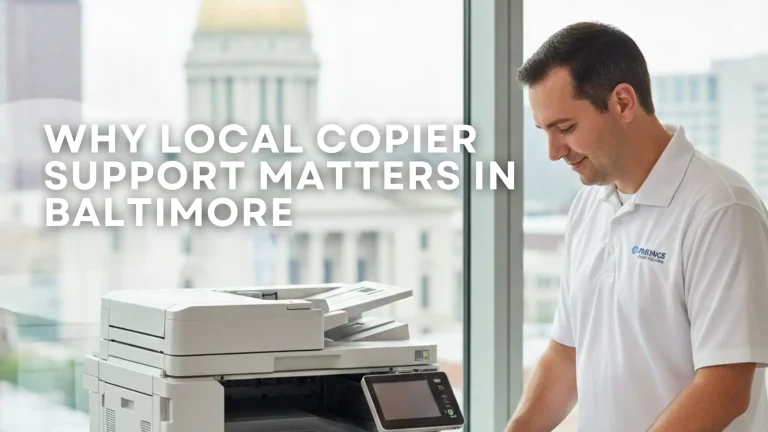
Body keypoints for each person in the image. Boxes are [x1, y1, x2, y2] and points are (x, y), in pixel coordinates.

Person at [507, 22, 768, 432]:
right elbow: (567, 354)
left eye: (566, 128)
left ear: (623, 102)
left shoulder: (722, 208)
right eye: (544, 131)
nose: (554, 152)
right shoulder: (588, 204)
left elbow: (726, 386)